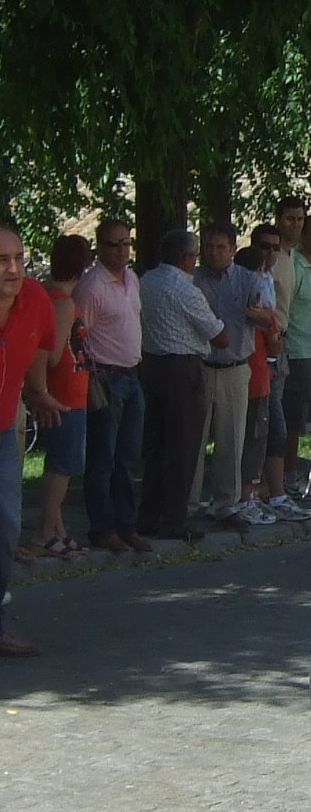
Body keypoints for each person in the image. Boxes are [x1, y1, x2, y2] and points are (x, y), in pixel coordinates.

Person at [1, 225, 67, 656]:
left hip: (4, 429)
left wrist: (38, 391)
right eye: (2, 261)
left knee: (6, 525)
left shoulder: (35, 300)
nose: (13, 269)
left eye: (19, 259)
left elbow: (41, 344)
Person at [137, 230, 227, 541]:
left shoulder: (145, 282)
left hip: (151, 364)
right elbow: (220, 336)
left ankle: (148, 514)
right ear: (186, 258)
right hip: (183, 368)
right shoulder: (187, 291)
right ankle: (173, 519)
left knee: (156, 445)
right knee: (183, 446)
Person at [74, 218, 148, 553]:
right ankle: (103, 529)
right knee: (103, 458)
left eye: (125, 243)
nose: (120, 250)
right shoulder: (92, 287)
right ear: (100, 247)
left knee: (128, 457)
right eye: (112, 244)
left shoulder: (132, 278)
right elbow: (78, 336)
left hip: (132, 375)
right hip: (106, 377)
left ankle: (126, 525)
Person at [191, 223, 269, 529]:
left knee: (231, 439)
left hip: (235, 367)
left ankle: (226, 505)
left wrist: (257, 314)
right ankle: (189, 504)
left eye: (221, 247)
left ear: (233, 250)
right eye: (209, 247)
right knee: (194, 439)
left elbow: (268, 317)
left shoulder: (248, 279)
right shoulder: (194, 279)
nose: (214, 253)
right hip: (201, 364)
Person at [32, 235, 92, 558]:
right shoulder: (63, 303)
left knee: (64, 462)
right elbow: (53, 354)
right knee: (62, 465)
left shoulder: (51, 295)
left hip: (72, 392)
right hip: (65, 393)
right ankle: (45, 530)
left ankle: (58, 528)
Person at [262, 202, 311, 521]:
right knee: (271, 422)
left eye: (300, 219)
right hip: (266, 345)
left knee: (282, 422)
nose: (295, 224)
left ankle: (274, 488)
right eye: (290, 219)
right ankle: (269, 490)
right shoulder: (273, 258)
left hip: (284, 345)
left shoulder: (294, 258)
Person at [234, 245, 281, 525]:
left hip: (246, 376)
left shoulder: (231, 297)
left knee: (241, 439)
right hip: (256, 378)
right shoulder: (257, 303)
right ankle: (246, 498)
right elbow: (274, 340)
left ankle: (241, 495)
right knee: (253, 441)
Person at [283, 214, 311, 495]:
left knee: (300, 421)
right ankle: (286, 477)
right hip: (296, 351)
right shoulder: (295, 266)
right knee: (292, 420)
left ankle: (290, 473)